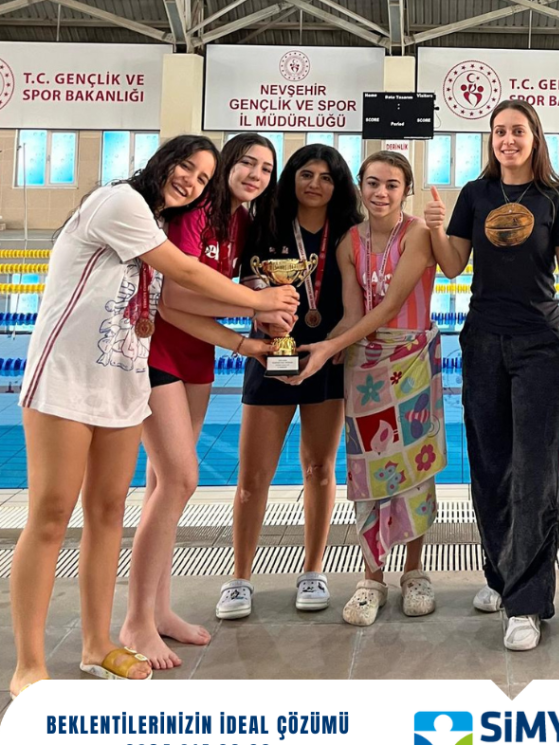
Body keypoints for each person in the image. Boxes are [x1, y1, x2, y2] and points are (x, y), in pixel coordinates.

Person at [9, 136, 297, 696]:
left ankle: (98, 645)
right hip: (66, 378)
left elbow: (177, 296)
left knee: (108, 513)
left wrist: (249, 334)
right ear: (162, 162)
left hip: (122, 381)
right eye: (186, 167)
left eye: (201, 176)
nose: (191, 180)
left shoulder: (165, 221)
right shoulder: (121, 202)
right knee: (50, 515)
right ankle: (29, 664)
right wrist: (261, 302)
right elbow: (184, 274)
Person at [424, 99, 559, 651]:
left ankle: (527, 602)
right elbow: (452, 265)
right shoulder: (475, 194)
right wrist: (435, 230)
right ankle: (501, 574)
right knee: (490, 466)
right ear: (490, 140)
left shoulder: (555, 195)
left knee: (536, 470)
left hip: (540, 342)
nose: (508, 140)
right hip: (483, 341)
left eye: (517, 131)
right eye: (499, 131)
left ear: (535, 138)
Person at [119, 134, 283, 670]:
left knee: (163, 486)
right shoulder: (196, 213)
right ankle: (135, 622)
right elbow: (173, 298)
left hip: (197, 355)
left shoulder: (242, 223)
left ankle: (158, 609)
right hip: (158, 351)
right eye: (246, 162)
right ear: (227, 166)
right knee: (181, 479)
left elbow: (224, 288)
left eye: (266, 168)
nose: (255, 174)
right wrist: (252, 314)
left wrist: (256, 309)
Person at [283, 151, 444, 625]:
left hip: (411, 360)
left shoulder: (418, 234)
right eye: (372, 183)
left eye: (392, 184)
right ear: (360, 186)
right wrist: (312, 352)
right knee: (367, 472)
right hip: (364, 365)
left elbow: (391, 306)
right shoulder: (349, 243)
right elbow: (354, 314)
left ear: (405, 190)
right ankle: (372, 577)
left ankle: (414, 571)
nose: (380, 192)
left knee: (415, 469)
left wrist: (331, 345)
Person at [215, 144, 362, 621]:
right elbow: (234, 282)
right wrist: (257, 299)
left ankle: (313, 570)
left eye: (326, 176)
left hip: (327, 360)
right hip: (268, 357)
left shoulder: (348, 233)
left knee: (319, 468)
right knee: (251, 478)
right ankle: (239, 577)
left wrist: (332, 347)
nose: (315, 184)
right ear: (291, 178)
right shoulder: (263, 226)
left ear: (338, 186)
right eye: (306, 174)